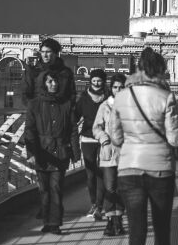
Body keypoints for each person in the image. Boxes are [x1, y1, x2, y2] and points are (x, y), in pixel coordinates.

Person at [105, 48, 178, 245]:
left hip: (129, 169)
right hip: (160, 169)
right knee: (162, 230)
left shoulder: (122, 97)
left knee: (136, 234)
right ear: (161, 68)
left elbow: (115, 136)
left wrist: (130, 142)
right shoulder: (166, 96)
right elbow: (175, 140)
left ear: (138, 68)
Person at [22, 70, 76, 234]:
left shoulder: (66, 104)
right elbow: (29, 130)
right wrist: (31, 153)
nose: (54, 84)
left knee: (56, 188)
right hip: (42, 153)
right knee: (44, 190)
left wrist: (75, 152)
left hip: (60, 152)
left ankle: (55, 223)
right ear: (43, 84)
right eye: (50, 81)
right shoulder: (34, 104)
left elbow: (72, 130)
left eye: (55, 81)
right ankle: (47, 221)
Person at [93, 73, 128, 236]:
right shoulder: (104, 106)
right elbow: (96, 127)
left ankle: (118, 221)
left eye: (121, 87)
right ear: (111, 88)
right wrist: (103, 138)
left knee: (121, 188)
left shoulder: (130, 106)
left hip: (125, 153)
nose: (118, 90)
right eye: (115, 87)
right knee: (109, 188)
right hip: (108, 152)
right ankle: (109, 221)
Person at [75, 69, 111, 220]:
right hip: (88, 138)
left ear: (103, 81)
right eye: (94, 80)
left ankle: (100, 204)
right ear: (90, 81)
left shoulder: (109, 98)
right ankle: (94, 203)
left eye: (99, 80)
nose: (96, 83)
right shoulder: (84, 97)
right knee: (90, 173)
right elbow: (75, 116)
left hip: (104, 138)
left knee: (102, 172)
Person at [20, 37, 75, 106]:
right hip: (39, 114)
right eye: (42, 52)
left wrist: (64, 111)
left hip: (59, 114)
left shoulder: (66, 73)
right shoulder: (32, 72)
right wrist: (35, 110)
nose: (44, 55)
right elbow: (25, 95)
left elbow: (71, 95)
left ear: (56, 53)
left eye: (48, 52)